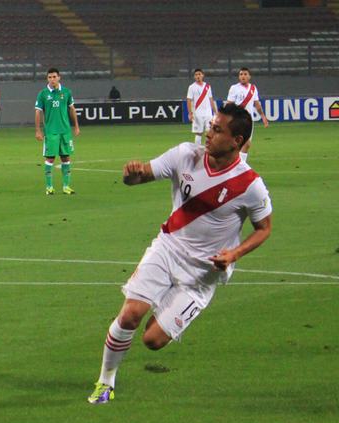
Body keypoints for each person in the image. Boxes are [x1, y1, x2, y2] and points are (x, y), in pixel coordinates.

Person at [87, 103, 273, 405]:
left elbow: (264, 228)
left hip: (202, 275)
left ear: (236, 141)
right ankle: (105, 382)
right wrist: (131, 175)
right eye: (210, 126)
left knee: (153, 340)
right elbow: (141, 176)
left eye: (217, 130)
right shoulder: (185, 154)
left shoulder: (250, 185)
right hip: (167, 250)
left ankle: (166, 307)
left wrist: (235, 254)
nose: (208, 133)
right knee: (131, 314)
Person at [35, 68, 80, 195]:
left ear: (59, 77)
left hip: (65, 131)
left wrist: (76, 126)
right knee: (50, 158)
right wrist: (38, 130)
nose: (52, 79)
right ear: (47, 79)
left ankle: (66, 186)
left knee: (66, 158)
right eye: (50, 77)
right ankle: (49, 187)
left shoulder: (66, 92)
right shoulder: (43, 94)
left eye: (54, 77)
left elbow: (72, 109)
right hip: (51, 132)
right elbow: (38, 112)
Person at [226, 67, 269, 162]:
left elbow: (257, 104)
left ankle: (239, 165)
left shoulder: (253, 88)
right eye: (241, 74)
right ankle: (239, 165)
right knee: (243, 143)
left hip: (249, 120)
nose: (243, 76)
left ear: (249, 76)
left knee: (246, 145)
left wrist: (263, 116)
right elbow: (229, 104)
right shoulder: (234, 88)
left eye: (245, 74)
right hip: (237, 119)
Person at [186, 68, 217, 145]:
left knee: (209, 132)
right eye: (196, 75)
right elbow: (189, 100)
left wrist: (215, 112)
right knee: (198, 133)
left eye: (199, 74)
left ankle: (207, 149)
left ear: (203, 75)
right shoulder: (191, 87)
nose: (198, 76)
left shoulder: (207, 86)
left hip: (208, 113)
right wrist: (190, 113)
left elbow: (211, 99)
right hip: (197, 114)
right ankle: (197, 150)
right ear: (194, 77)